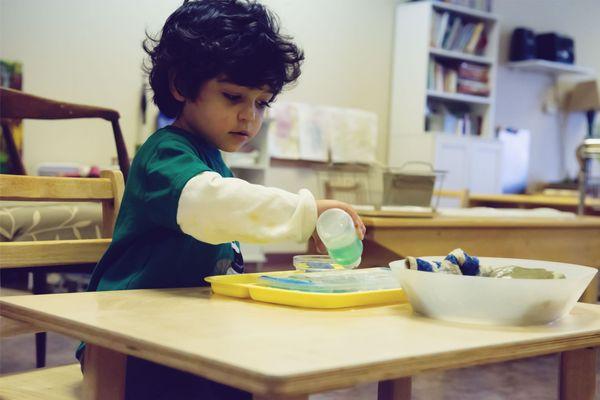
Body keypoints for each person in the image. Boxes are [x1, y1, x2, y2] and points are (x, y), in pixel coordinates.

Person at [77, 1, 365, 399]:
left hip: (180, 330)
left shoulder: (209, 157)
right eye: (233, 97)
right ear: (181, 85)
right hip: (122, 344)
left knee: (278, 369)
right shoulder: (165, 154)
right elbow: (210, 205)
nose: (250, 116)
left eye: (261, 102)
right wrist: (304, 212)